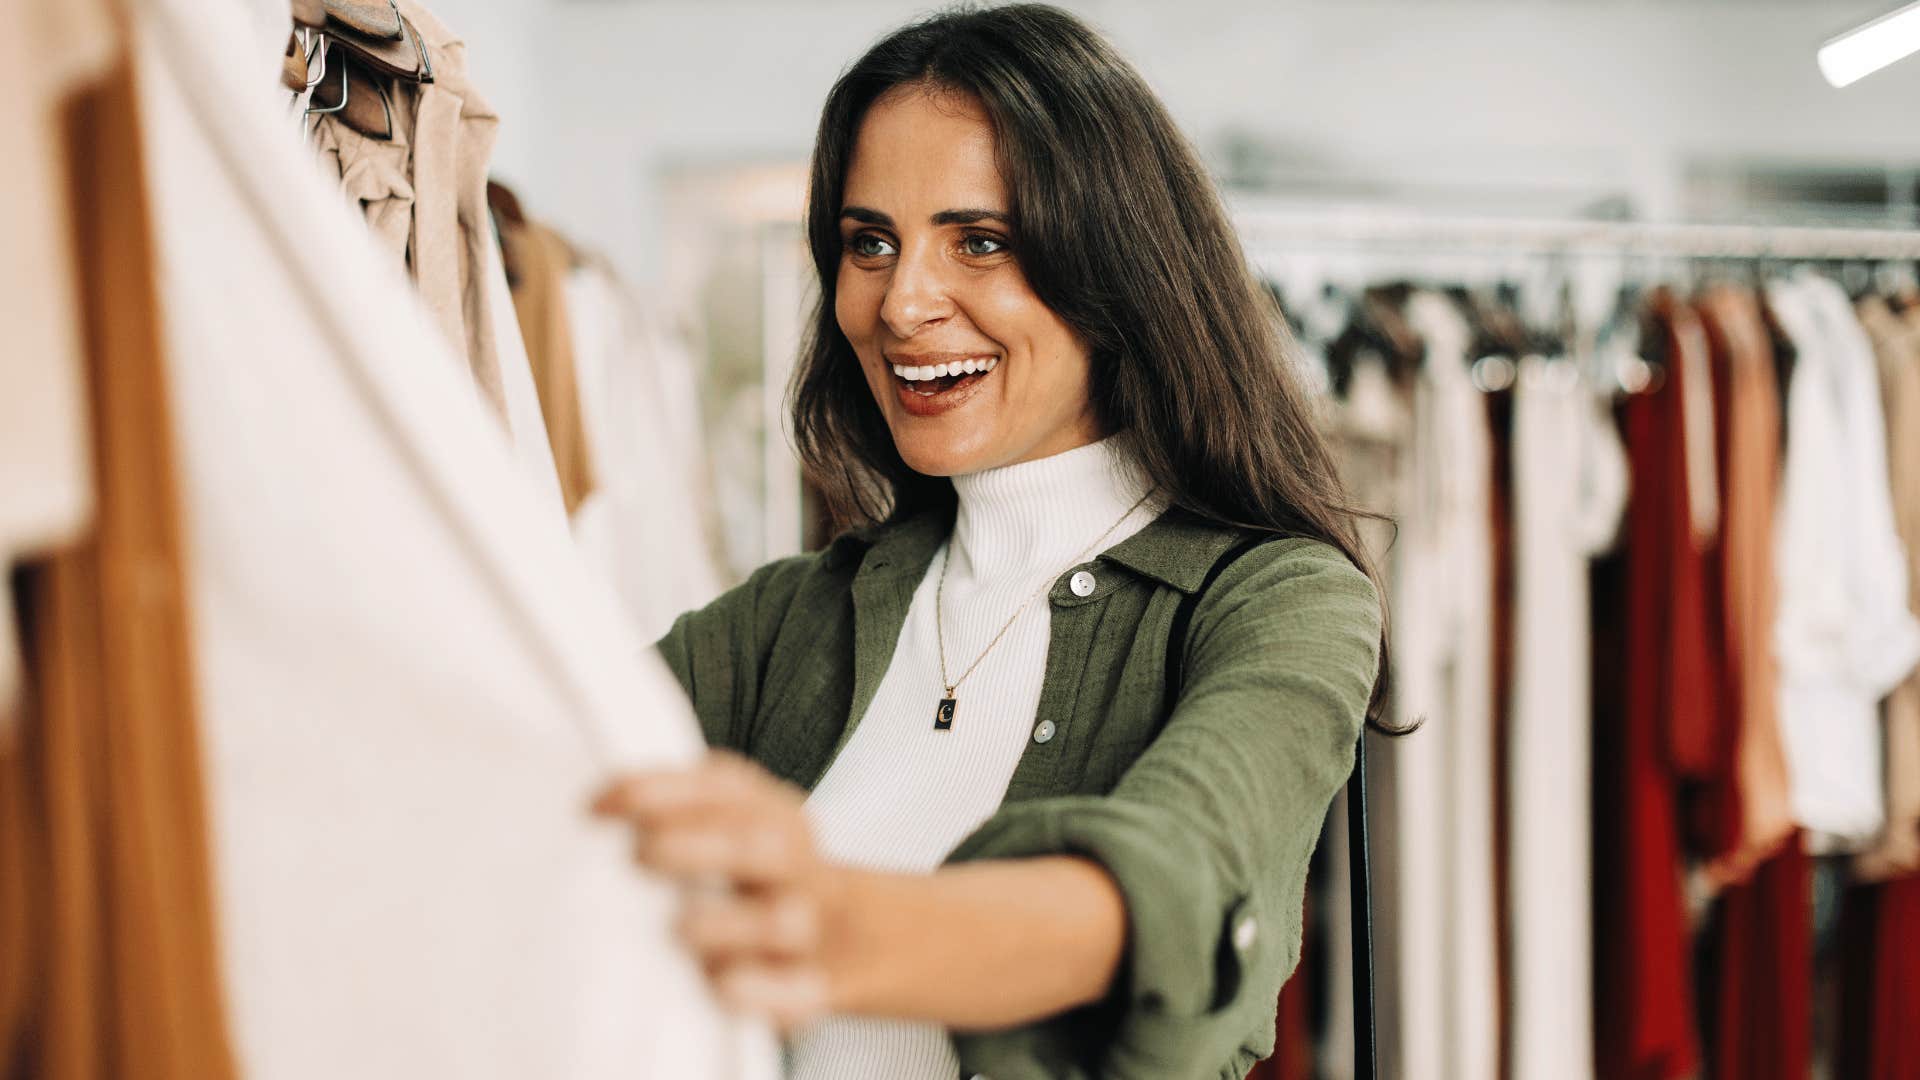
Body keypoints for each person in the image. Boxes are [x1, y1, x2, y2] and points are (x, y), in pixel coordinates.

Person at [591, 5, 1387, 1077]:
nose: (901, 302)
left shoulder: (1279, 603)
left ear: (1115, 265)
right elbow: (529, 760)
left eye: (980, 240)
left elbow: (1174, 882)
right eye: (870, 241)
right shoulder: (788, 621)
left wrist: (833, 922)